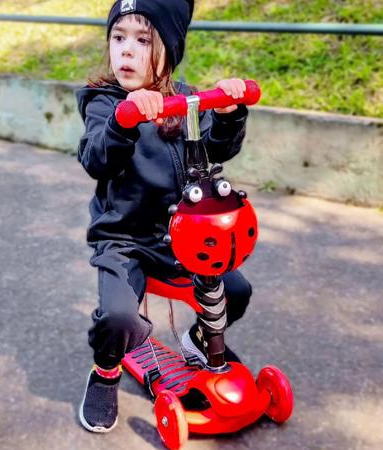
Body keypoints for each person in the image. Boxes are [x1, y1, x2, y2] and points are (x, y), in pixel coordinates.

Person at [75, 0, 252, 433]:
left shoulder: (187, 100)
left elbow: (217, 149)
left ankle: (198, 341)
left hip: (179, 240)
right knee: (119, 318)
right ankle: (105, 372)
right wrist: (124, 120)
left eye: (143, 39)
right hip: (124, 239)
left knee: (236, 289)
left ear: (169, 51)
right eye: (118, 38)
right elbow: (96, 158)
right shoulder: (103, 102)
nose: (126, 51)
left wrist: (228, 114)